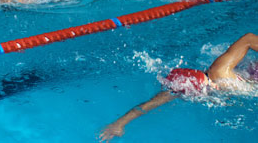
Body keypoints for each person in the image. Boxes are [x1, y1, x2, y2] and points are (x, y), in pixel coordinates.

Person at [99, 33, 258, 142]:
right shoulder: (187, 87)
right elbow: (147, 105)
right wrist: (120, 123)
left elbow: (249, 38)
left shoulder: (219, 72)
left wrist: (120, 123)